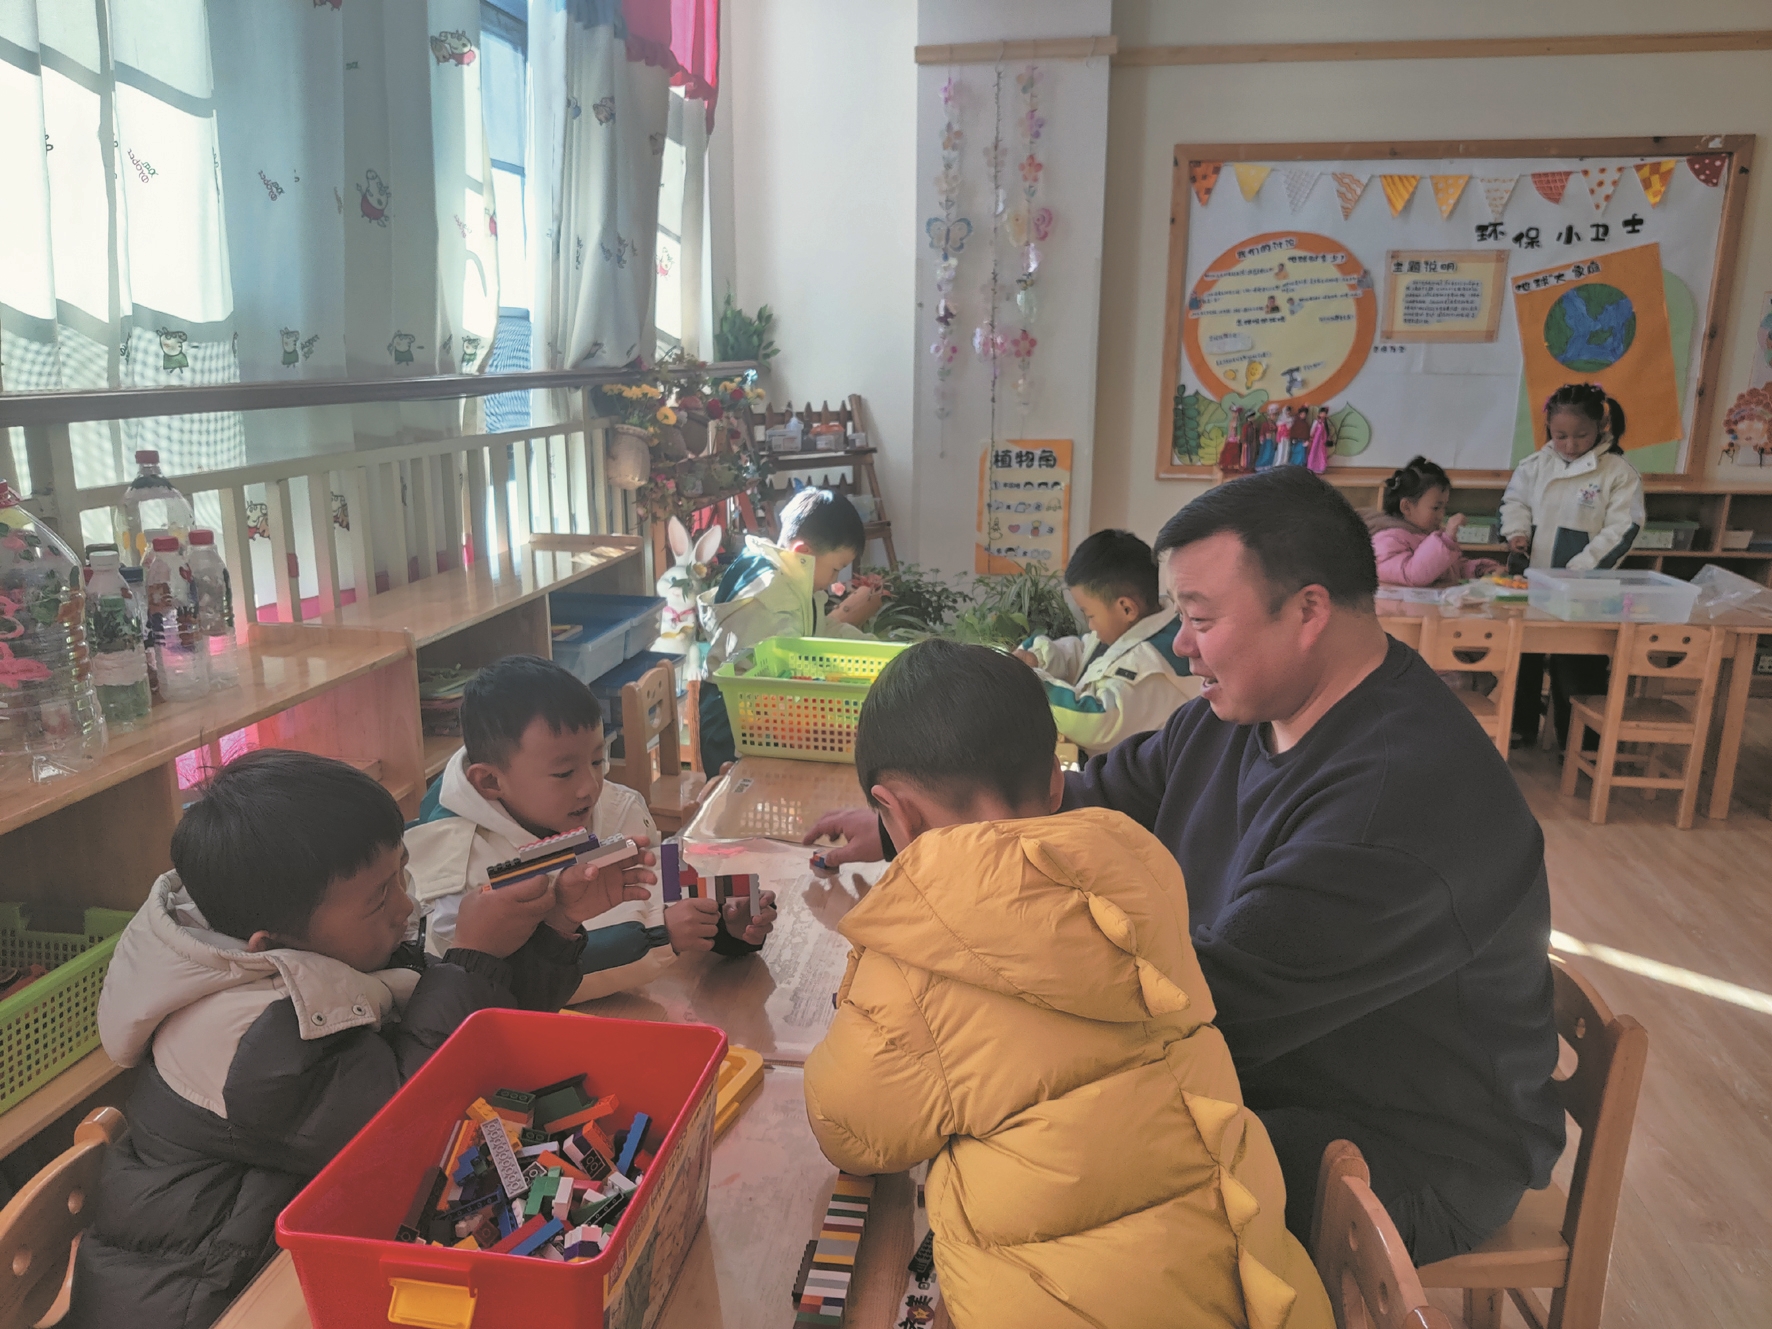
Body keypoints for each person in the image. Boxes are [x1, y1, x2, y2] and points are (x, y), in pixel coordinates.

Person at [806, 469, 1565, 1265]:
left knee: (1048, 1173)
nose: (1180, 644)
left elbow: (1201, 1011)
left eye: (1200, 618)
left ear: (1309, 611)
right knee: (1011, 1145)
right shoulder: (1241, 712)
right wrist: (919, 825)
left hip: (1408, 1144)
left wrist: (946, 1023)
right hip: (1267, 1058)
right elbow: (1092, 797)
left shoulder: (1396, 802)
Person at [802, 640, 1332, 1329]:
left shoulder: (915, 952)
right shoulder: (1140, 878)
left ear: (893, 814)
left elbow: (850, 1129)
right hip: (1257, 1287)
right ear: (1056, 782)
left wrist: (862, 981)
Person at [67, 750, 602, 1329]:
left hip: (281, 1249)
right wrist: (471, 958)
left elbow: (468, 1048)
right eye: (379, 897)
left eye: (400, 872)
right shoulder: (248, 1045)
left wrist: (555, 927)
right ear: (274, 942)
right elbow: (410, 1130)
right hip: (210, 1302)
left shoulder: (323, 951)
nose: (405, 906)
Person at [407, 655, 776, 1002]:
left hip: (645, 1003)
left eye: (598, 760)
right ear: (490, 781)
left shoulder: (615, 806)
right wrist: (660, 936)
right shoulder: (454, 871)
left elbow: (672, 883)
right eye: (564, 773)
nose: (590, 786)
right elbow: (488, 986)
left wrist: (727, 921)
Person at [696, 487, 884, 772]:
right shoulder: (770, 596)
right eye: (836, 568)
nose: (836, 578)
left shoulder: (791, 577)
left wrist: (873, 648)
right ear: (803, 553)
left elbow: (821, 631)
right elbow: (789, 663)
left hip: (765, 716)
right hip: (734, 726)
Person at [1500, 383, 1645, 749]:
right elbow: (1515, 503)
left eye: (1580, 435)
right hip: (1532, 580)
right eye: (1560, 435)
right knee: (1523, 655)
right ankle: (1520, 728)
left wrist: (1580, 569)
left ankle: (1579, 744)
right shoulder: (1534, 465)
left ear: (1602, 426)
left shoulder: (1618, 472)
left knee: (1577, 664)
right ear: (1548, 428)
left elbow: (1623, 528)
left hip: (1585, 589)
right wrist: (1517, 533)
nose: (1569, 444)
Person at [1011, 528, 1199, 753]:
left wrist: (1028, 682)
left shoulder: (1152, 663)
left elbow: (1097, 721)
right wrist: (1039, 657)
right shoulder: (1134, 626)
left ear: (1126, 608)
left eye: (1090, 615)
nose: (1090, 626)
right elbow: (1082, 652)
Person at [1366, 456, 1502, 587]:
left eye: (1444, 507)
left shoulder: (1430, 534)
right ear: (1407, 507)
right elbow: (1413, 574)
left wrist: (1478, 570)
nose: (1441, 515)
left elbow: (1448, 569)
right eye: (1436, 508)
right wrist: (1446, 540)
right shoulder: (1387, 539)